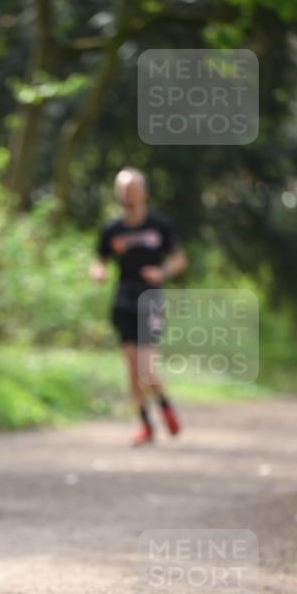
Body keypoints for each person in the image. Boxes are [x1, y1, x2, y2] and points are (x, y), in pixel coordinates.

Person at [90, 167, 188, 446]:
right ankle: (146, 425)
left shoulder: (159, 225)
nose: (127, 195)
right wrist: (98, 271)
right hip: (123, 299)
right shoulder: (112, 229)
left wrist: (162, 272)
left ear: (144, 192)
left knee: (146, 367)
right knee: (132, 369)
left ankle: (165, 406)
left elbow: (180, 259)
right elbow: (100, 259)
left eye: (132, 189)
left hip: (151, 300)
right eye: (122, 190)